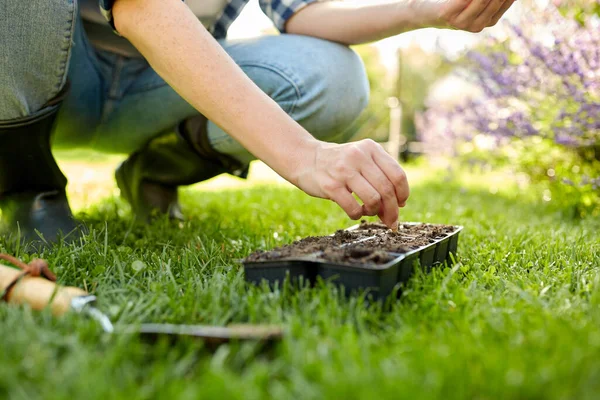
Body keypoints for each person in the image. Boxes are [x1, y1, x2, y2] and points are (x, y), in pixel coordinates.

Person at [0, 0, 515, 245]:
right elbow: (139, 7)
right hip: (59, 82)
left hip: (157, 88)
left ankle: (158, 166)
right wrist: (304, 155)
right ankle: (29, 189)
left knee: (333, 73)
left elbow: (300, 13)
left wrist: (419, 10)